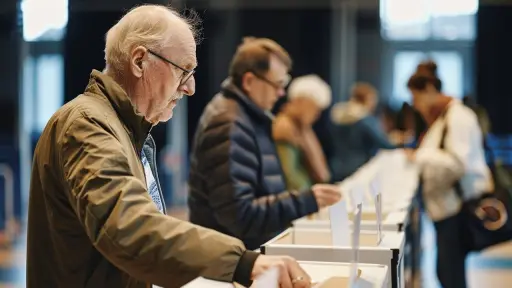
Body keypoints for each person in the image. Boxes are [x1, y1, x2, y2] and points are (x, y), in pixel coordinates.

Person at [26, 6, 313, 288]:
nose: (191, 88)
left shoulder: (124, 128)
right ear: (139, 61)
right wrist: (240, 262)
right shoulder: (86, 124)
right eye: (184, 70)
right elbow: (128, 228)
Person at [188, 37, 341, 250]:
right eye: (277, 84)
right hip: (233, 259)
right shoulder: (229, 124)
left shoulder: (247, 117)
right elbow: (240, 215)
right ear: (249, 81)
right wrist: (305, 201)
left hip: (246, 252)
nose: (281, 93)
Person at [404, 61, 493, 288]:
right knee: (446, 271)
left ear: (430, 91)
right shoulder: (443, 118)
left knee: (450, 273)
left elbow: (458, 163)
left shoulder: (458, 117)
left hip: (457, 207)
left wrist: (420, 157)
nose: (416, 106)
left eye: (416, 98)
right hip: (444, 208)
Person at [273, 74, 332, 191]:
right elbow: (289, 175)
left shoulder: (301, 128)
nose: (317, 114)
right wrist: (311, 197)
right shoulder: (285, 128)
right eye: (315, 108)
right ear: (302, 102)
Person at [329, 82, 397, 182]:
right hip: (359, 170)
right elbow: (384, 144)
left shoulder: (336, 117)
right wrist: (398, 141)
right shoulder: (366, 120)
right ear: (367, 99)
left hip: (337, 168)